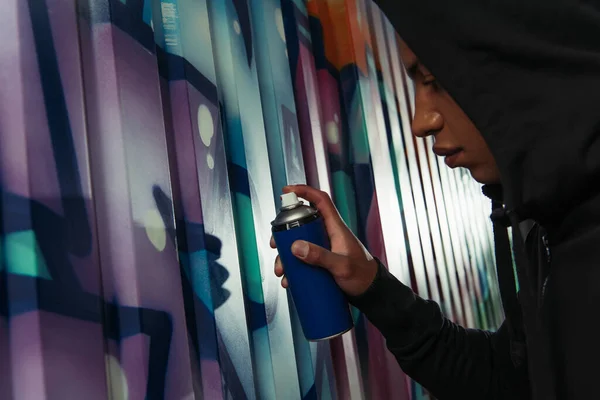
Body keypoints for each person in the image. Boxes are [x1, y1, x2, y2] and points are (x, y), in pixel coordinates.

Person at [271, 1, 600, 399]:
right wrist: (371, 285)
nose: (420, 122)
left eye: (434, 82)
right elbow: (505, 380)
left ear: (522, 66)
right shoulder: (551, 235)